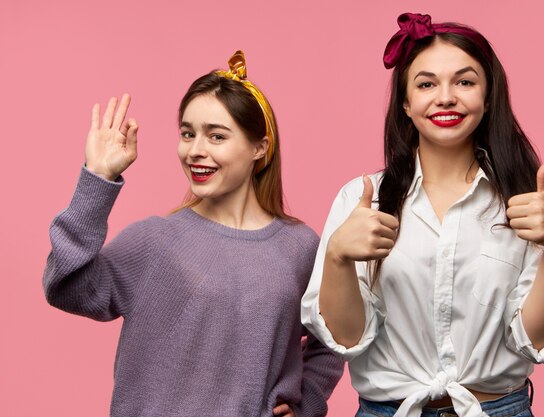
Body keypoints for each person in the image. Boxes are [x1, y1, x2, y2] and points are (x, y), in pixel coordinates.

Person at [301, 13, 544, 417]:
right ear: (406, 102)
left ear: (488, 98)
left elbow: (538, 342)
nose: (446, 97)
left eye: (465, 82)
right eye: (427, 84)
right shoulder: (362, 200)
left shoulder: (527, 204)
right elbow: (347, 340)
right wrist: (337, 258)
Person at [43, 50, 343, 417]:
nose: (195, 151)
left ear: (259, 148)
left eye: (216, 136)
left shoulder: (300, 247)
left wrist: (307, 402)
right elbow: (66, 287)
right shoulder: (153, 241)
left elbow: (331, 338)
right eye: (188, 134)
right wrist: (98, 179)